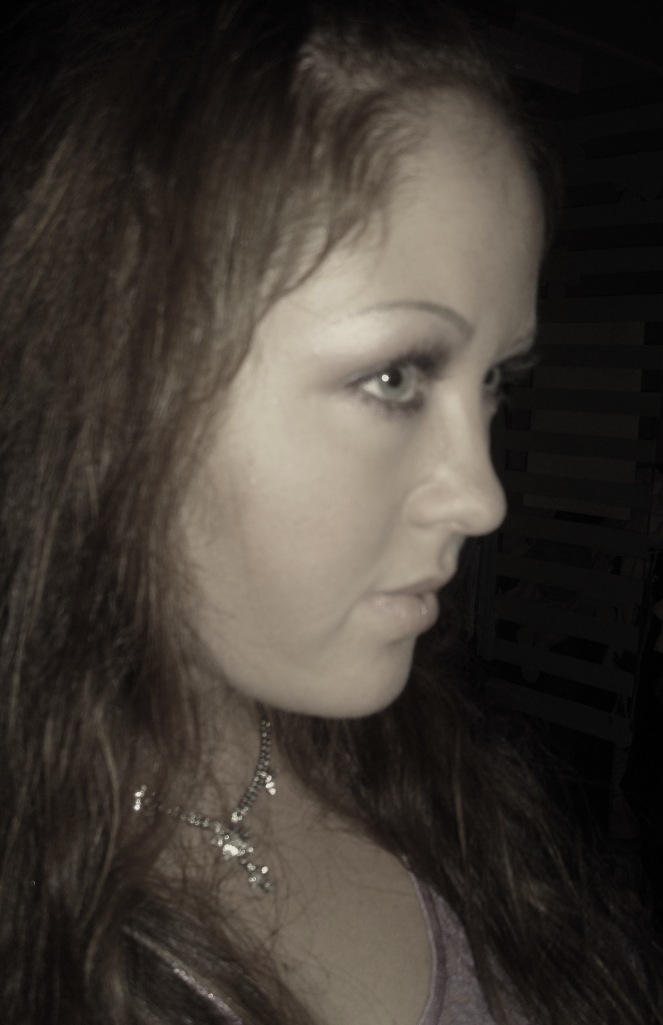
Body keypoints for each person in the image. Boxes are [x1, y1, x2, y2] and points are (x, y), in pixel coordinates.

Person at [1, 2, 661, 1023]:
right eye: (395, 376)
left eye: (495, 380)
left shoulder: (425, 763)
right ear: (116, 384)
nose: (484, 498)